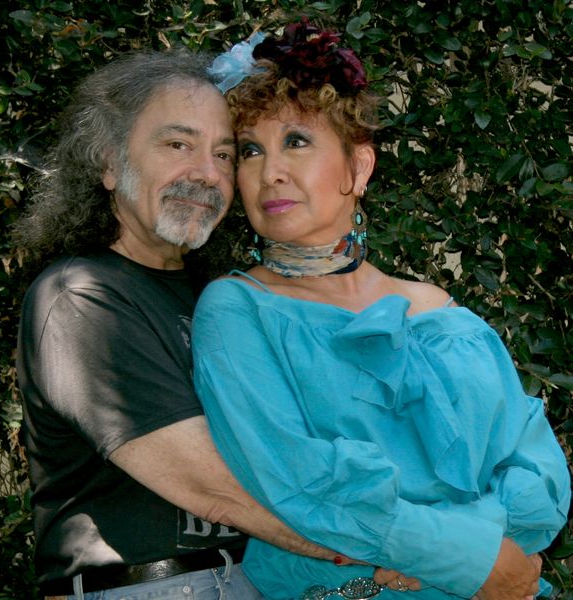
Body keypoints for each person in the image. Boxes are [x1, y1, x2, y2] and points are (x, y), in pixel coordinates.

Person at [192, 20, 571, 600]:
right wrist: (464, 556)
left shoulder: (442, 312)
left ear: (359, 168)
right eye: (250, 151)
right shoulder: (238, 309)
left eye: (297, 141)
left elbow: (533, 462)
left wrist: (472, 552)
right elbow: (299, 480)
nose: (271, 173)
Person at [14, 48, 340, 600]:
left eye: (224, 154)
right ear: (109, 163)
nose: (206, 174)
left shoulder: (224, 298)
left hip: (262, 579)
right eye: (177, 145)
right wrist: (377, 548)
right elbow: (214, 488)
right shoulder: (80, 297)